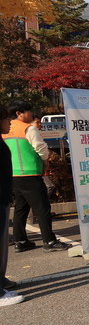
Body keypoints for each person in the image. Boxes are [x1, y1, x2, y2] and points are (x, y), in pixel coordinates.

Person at [5, 101, 69, 252]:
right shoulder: (28, 128)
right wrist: (45, 161)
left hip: (14, 174)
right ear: (19, 113)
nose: (31, 114)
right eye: (28, 111)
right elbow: (41, 148)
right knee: (42, 208)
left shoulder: (6, 129)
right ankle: (49, 241)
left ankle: (20, 241)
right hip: (30, 173)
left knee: (21, 208)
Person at [0, 105, 24, 306]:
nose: (9, 122)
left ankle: (1, 280)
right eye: (6, 119)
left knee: (2, 246)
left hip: (3, 198)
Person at [32, 114, 55, 196]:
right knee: (49, 186)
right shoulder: (30, 134)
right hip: (34, 169)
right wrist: (45, 161)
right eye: (37, 122)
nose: (40, 125)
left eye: (40, 123)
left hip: (39, 168)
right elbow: (40, 148)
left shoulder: (37, 134)